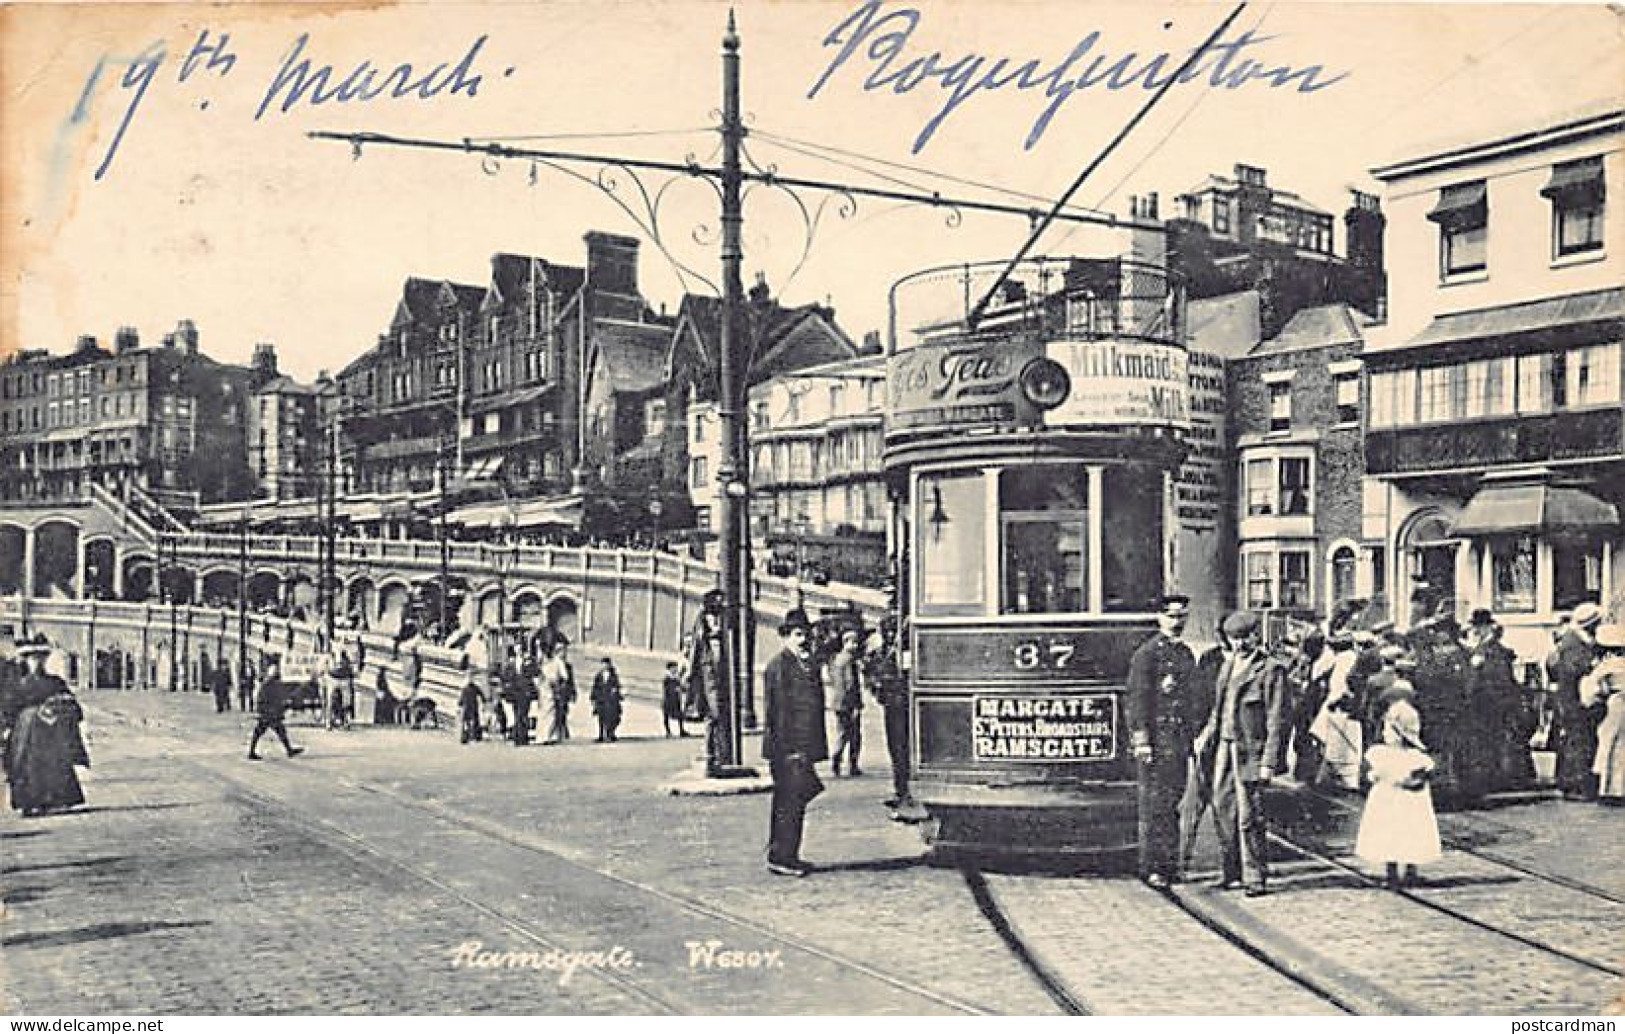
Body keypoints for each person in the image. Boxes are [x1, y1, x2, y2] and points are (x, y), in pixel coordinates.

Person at [1194, 611, 1286, 896]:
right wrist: (1205, 737)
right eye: (1235, 639)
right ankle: (1230, 872)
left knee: (1249, 815)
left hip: (1251, 751)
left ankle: (1254, 876)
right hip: (1224, 745)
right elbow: (1219, 709)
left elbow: (1277, 719)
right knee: (1222, 808)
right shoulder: (1228, 666)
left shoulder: (1271, 669)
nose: (1240, 644)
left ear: (1257, 636)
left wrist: (1269, 762)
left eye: (1246, 637)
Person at [1125, 594, 1198, 888]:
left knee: (1172, 804)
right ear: (1160, 618)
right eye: (1172, 616)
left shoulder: (1184, 654)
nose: (1177, 622)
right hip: (1155, 742)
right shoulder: (1147, 654)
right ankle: (1153, 867)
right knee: (1155, 807)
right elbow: (1138, 700)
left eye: (1182, 616)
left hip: (1177, 743)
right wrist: (1142, 741)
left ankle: (1170, 866)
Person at [762, 608, 827, 877]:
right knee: (788, 803)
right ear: (785, 637)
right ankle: (781, 856)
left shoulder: (803, 665)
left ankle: (789, 855)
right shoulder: (779, 667)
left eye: (806, 634)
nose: (803, 640)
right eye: (798, 635)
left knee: (796, 801)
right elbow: (778, 714)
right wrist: (790, 750)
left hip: (801, 748)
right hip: (788, 749)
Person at [1355, 697, 1441, 889]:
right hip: (1389, 802)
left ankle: (1411, 869)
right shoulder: (1379, 754)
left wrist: (1408, 780)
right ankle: (1391, 871)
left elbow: (1421, 777)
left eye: (1389, 729)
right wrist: (1374, 775)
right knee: (1389, 834)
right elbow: (1369, 775)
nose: (1385, 733)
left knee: (1409, 833)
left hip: (1407, 804)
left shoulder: (1416, 758)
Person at [5, 635, 91, 817]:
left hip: (51, 734)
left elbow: (73, 707)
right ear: (26, 661)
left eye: (40, 659)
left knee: (52, 765)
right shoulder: (17, 685)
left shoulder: (55, 683)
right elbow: (8, 709)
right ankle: (29, 803)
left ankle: (55, 800)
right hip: (24, 735)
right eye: (32, 659)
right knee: (27, 767)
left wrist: (59, 707)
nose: (36, 663)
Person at [1549, 602, 1603, 800]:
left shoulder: (1577, 641)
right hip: (1573, 699)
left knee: (1579, 739)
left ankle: (1574, 783)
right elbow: (1573, 670)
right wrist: (1591, 666)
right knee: (1578, 740)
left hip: (1574, 698)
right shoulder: (1573, 644)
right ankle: (1575, 785)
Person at [864, 616, 914, 813]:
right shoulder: (883, 652)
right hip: (891, 705)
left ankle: (905, 791)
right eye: (887, 632)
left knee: (903, 748)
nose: (889, 635)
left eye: (892, 631)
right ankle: (900, 789)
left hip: (901, 704)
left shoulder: (903, 652)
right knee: (895, 749)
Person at [1310, 630, 1363, 791]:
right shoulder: (1354, 658)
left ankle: (1331, 775)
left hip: (1337, 700)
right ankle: (1346, 777)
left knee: (1328, 737)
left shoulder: (1338, 658)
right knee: (1347, 741)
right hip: (1345, 701)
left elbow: (1317, 673)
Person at [1581, 623, 1625, 805]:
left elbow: (1590, 689)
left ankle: (1608, 789)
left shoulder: (1606, 666)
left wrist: (1592, 702)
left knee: (1608, 745)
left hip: (1615, 704)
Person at [686, 591, 727, 776]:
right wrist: (689, 670)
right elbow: (695, 647)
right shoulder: (701, 624)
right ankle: (712, 754)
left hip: (722, 673)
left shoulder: (725, 620)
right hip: (708, 672)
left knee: (717, 714)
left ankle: (716, 754)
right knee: (714, 714)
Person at [248, 656, 305, 761]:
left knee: (264, 732)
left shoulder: (269, 684)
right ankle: (289, 750)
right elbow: (268, 699)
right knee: (274, 731)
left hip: (269, 713)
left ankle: (252, 752)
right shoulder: (270, 685)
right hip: (270, 713)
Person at [828, 630, 864, 777]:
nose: (855, 645)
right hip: (849, 702)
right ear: (845, 643)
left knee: (842, 732)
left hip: (838, 701)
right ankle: (852, 764)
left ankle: (837, 759)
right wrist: (856, 704)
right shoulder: (849, 660)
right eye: (852, 642)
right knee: (854, 735)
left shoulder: (836, 659)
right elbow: (850, 683)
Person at [544, 644, 576, 744]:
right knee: (556, 713)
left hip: (562, 692)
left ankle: (560, 733)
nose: (564, 654)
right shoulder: (554, 663)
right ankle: (557, 733)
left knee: (562, 712)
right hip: (556, 691)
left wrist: (572, 692)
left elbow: (570, 680)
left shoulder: (567, 665)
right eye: (561, 651)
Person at [590, 657, 624, 743]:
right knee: (601, 718)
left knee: (611, 718)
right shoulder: (598, 675)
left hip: (610, 701)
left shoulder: (613, 675)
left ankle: (610, 734)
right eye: (603, 664)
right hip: (601, 700)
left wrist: (616, 692)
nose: (605, 666)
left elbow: (617, 686)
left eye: (606, 664)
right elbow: (595, 687)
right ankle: (601, 735)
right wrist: (593, 698)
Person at [661, 660, 690, 738]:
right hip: (668, 700)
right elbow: (667, 689)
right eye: (674, 668)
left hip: (676, 699)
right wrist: (676, 689)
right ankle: (668, 731)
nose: (675, 669)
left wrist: (683, 688)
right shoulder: (667, 678)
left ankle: (681, 730)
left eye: (676, 668)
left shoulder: (676, 678)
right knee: (666, 716)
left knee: (679, 715)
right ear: (669, 669)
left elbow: (681, 687)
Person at [458, 675, 486, 744]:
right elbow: (482, 695)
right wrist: (484, 701)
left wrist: (460, 705)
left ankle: (466, 736)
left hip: (467, 707)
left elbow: (461, 699)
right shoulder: (475, 688)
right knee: (474, 721)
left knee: (467, 722)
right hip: (473, 706)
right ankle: (474, 736)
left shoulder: (465, 689)